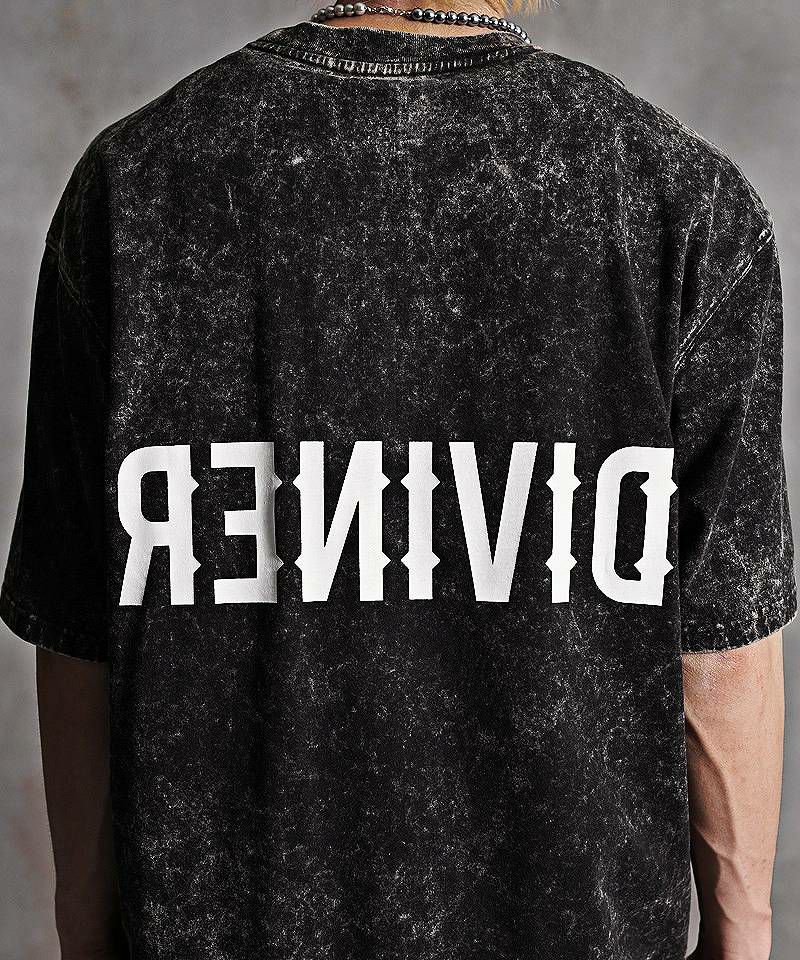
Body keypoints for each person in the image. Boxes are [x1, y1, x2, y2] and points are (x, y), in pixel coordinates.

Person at [1, 2, 794, 958]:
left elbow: (78, 632)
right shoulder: (681, 198)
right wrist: (743, 933)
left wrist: (85, 929)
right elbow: (721, 647)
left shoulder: (134, 186)